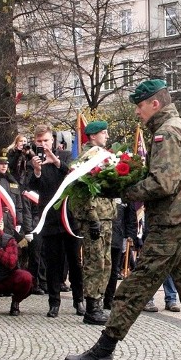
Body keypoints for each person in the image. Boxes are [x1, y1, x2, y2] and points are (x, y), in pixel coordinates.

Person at [64, 79, 181, 360]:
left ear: (154, 103)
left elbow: (164, 183)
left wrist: (122, 189)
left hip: (173, 225)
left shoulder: (166, 132)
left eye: (140, 105)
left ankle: (103, 352)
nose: (137, 111)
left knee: (135, 285)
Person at [27, 125, 83, 318]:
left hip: (69, 218)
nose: (43, 145)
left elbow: (75, 178)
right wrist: (36, 171)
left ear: (53, 141)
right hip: (49, 219)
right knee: (53, 263)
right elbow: (29, 187)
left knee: (75, 262)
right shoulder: (33, 161)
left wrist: (57, 162)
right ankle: (54, 302)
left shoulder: (66, 156)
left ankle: (79, 300)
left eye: (46, 141)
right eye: (39, 142)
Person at [71, 120, 117, 325]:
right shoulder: (88, 157)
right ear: (92, 136)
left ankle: (97, 303)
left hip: (106, 215)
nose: (107, 136)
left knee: (105, 262)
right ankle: (91, 308)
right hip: (95, 218)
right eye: (103, 133)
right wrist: (92, 218)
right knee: (94, 262)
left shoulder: (102, 155)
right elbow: (84, 191)